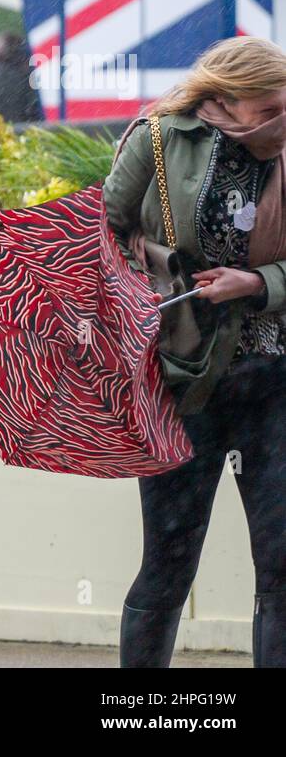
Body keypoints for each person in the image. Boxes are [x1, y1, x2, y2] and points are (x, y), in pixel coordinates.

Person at [104, 35, 286, 668]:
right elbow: (101, 232)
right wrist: (152, 279)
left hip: (274, 379)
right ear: (225, 97)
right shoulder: (158, 137)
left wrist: (260, 283)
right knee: (168, 563)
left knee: (282, 564)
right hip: (180, 380)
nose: (276, 122)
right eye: (265, 109)